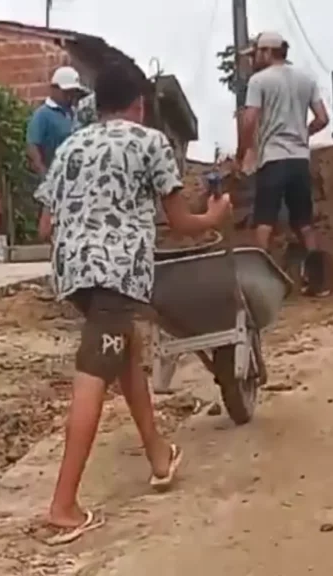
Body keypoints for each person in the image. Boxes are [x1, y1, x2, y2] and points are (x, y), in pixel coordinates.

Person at [32, 62, 233, 545]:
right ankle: (63, 507)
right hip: (116, 273)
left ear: (95, 105)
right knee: (95, 369)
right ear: (140, 104)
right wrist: (216, 215)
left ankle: (159, 455)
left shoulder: (71, 147)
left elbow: (45, 226)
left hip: (74, 273)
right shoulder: (149, 142)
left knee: (126, 356)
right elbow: (181, 222)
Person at [236, 31, 331, 296]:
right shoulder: (306, 79)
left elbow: (250, 119)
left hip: (274, 158)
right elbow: (323, 118)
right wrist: (303, 133)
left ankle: (258, 285)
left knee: (264, 219)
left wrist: (244, 150)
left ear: (267, 52)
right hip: (300, 159)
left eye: (256, 53)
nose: (254, 58)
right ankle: (317, 283)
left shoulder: (259, 81)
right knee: (303, 221)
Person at [27, 66, 87, 175]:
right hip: (54, 173)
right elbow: (33, 145)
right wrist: (44, 174)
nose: (70, 96)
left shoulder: (75, 113)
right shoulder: (43, 114)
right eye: (66, 92)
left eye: (73, 92)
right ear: (54, 89)